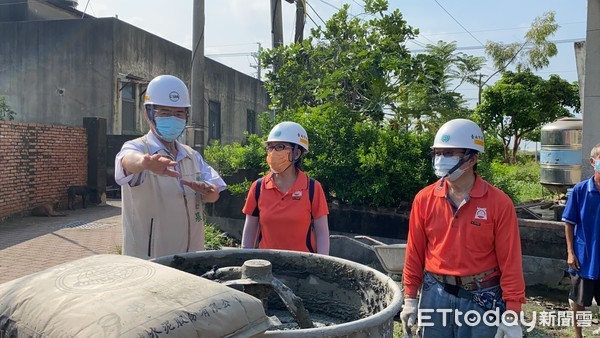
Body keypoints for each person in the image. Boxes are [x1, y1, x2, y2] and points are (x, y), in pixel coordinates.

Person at [400, 118, 526, 338]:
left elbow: (510, 260)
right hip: (435, 293)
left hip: (481, 296)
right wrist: (410, 297)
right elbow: (415, 252)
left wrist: (512, 311)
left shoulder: (498, 203)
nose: (441, 160)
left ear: (472, 158)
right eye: (438, 153)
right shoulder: (424, 199)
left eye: (449, 154)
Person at [115, 75, 226, 259]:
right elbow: (126, 161)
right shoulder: (139, 148)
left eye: (179, 114)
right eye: (164, 113)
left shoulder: (191, 155)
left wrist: (208, 191)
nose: (173, 119)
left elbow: (214, 194)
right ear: (148, 113)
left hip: (192, 258)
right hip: (151, 262)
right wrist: (145, 163)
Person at [240, 121, 330, 254]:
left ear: (297, 153)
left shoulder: (312, 188)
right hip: (267, 266)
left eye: (280, 147)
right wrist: (245, 259)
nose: (273, 152)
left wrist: (323, 266)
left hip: (303, 267)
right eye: (270, 147)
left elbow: (322, 233)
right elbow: (249, 232)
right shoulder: (258, 187)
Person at [563, 143, 600, 338]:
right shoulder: (580, 190)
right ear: (593, 162)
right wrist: (570, 252)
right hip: (583, 257)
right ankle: (578, 335)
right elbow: (569, 222)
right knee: (579, 301)